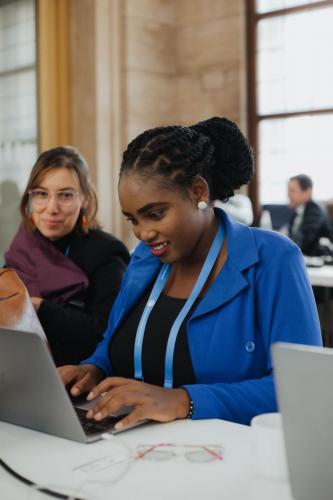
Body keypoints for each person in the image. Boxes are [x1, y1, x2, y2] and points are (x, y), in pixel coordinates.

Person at [59, 118, 322, 428]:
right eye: (133, 219)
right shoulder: (145, 258)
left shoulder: (273, 259)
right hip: (132, 447)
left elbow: (302, 388)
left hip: (229, 457)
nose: (143, 233)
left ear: (198, 191)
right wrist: (94, 369)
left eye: (155, 214)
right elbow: (114, 341)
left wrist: (184, 400)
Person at [5, 146, 130, 366]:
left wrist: (39, 308)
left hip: (83, 378)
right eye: (41, 194)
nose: (52, 208)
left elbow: (107, 332)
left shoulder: (106, 252)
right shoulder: (22, 249)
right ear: (30, 198)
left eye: (65, 195)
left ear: (85, 199)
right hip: (21, 370)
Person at [288, 174, 333, 256]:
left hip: (320, 260)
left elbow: (304, 242)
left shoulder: (314, 210)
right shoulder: (298, 211)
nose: (288, 195)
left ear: (306, 192)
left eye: (292, 191)